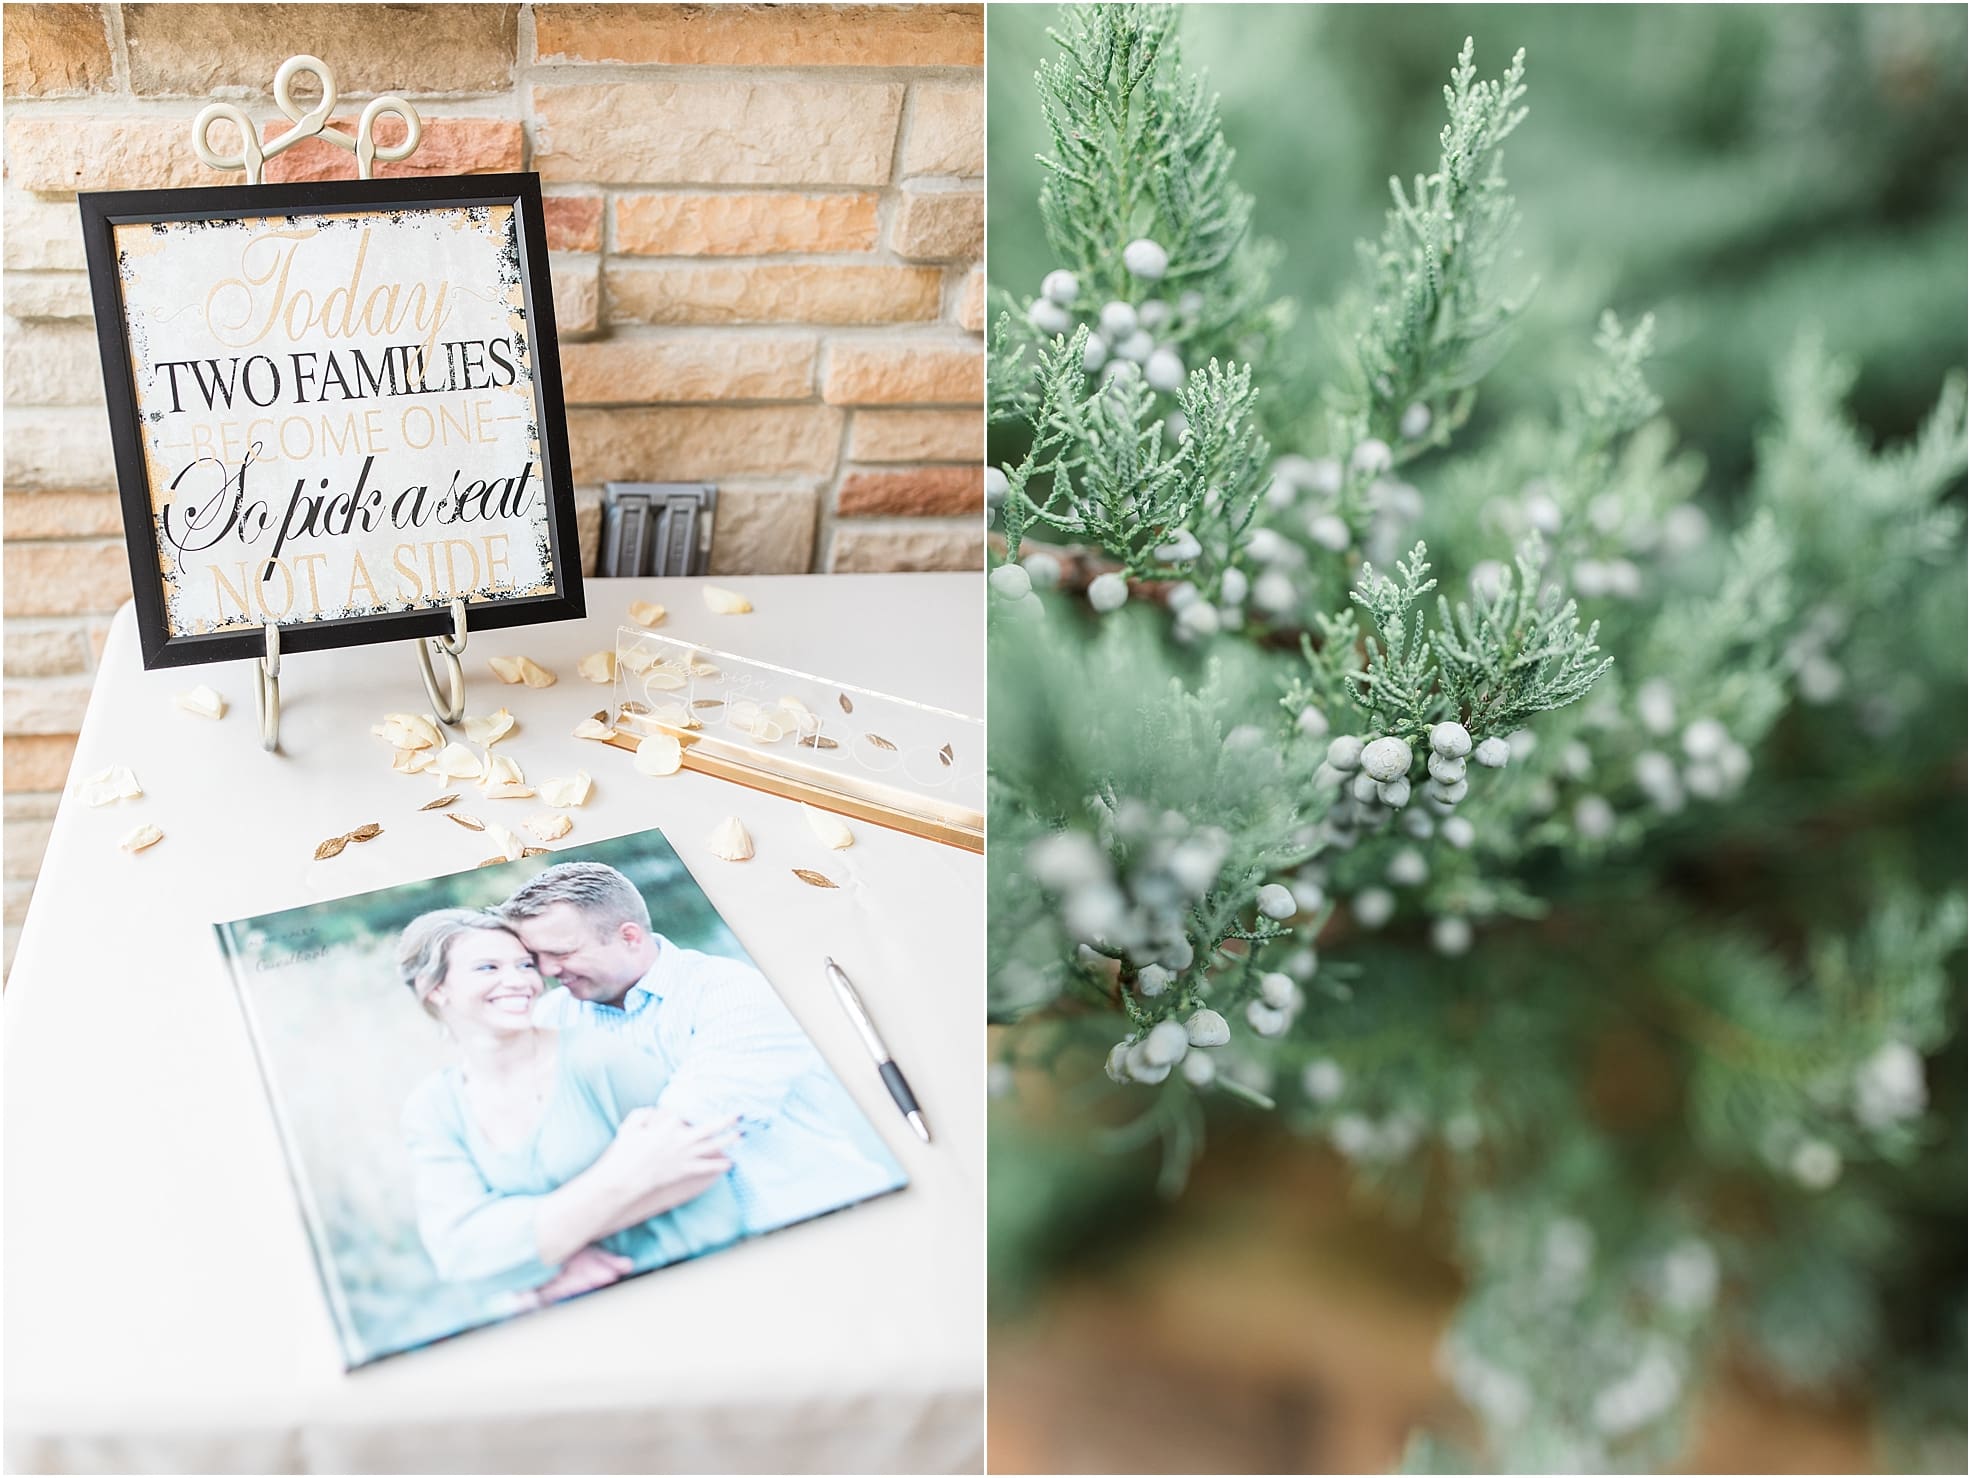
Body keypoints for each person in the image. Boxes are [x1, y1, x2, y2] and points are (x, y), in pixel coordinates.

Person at [500, 862, 903, 1235]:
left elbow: (686, 1134)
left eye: (562, 953)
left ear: (628, 937)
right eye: (536, 958)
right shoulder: (549, 1019)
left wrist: (550, 1235)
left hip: (823, 1221)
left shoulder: (732, 991)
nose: (548, 971)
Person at [396, 908, 745, 1306]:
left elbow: (698, 1163)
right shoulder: (433, 1109)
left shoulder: (598, 1056)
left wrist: (529, 1260)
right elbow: (460, 1254)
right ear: (434, 988)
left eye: (525, 965)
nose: (519, 981)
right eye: (488, 968)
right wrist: (621, 1177)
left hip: (696, 1282)